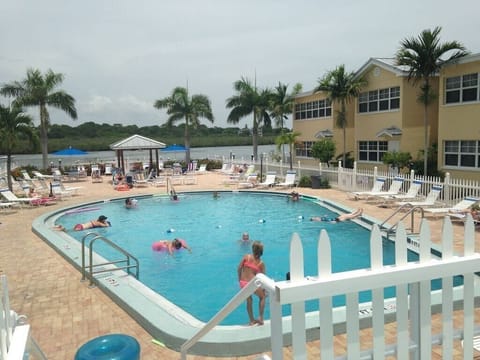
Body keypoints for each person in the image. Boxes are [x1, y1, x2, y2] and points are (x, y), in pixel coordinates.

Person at [237, 241, 266, 325]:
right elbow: (263, 278)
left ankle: (251, 320)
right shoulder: (261, 263)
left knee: (249, 300)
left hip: (243, 282)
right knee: (262, 297)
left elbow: (239, 268)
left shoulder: (247, 257)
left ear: (253, 249)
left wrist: (240, 280)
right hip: (251, 284)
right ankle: (260, 317)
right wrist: (263, 289)